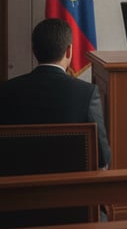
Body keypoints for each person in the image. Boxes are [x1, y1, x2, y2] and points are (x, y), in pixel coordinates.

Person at [0, 17, 111, 168]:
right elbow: (103, 157)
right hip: (71, 182)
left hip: (18, 181)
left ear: (34, 51)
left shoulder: (5, 91)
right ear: (69, 51)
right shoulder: (87, 94)